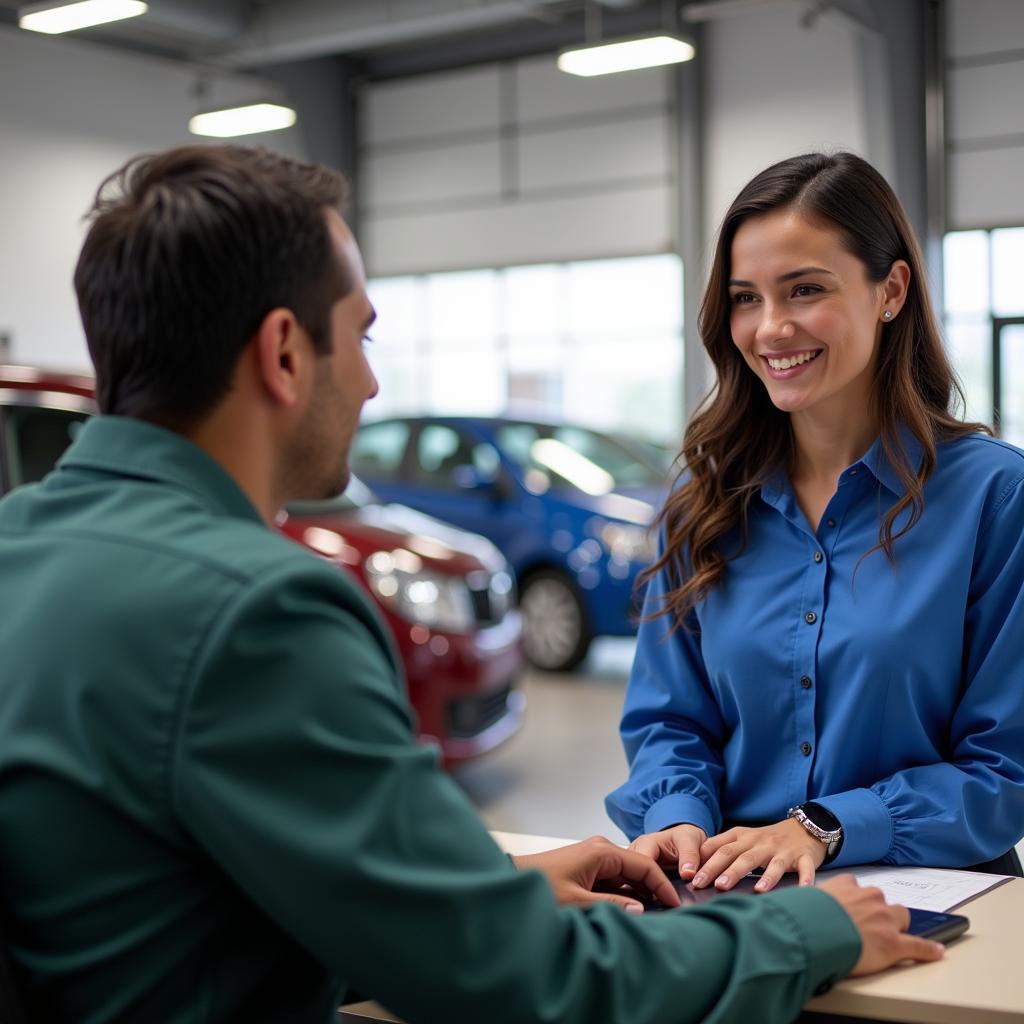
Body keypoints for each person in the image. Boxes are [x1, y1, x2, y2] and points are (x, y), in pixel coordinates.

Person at [0, 145, 941, 1024]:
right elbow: (520, 978)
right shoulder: (256, 610)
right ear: (285, 353)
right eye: (360, 337)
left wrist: (501, 890)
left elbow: (189, 898)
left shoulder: (20, 549)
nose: (372, 385)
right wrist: (809, 932)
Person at [607, 151, 1024, 897]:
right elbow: (671, 723)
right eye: (744, 298)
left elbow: (1007, 771)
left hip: (931, 905)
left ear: (890, 290)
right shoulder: (703, 504)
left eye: (805, 289)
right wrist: (675, 815)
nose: (770, 328)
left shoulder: (995, 498)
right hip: (737, 910)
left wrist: (826, 826)